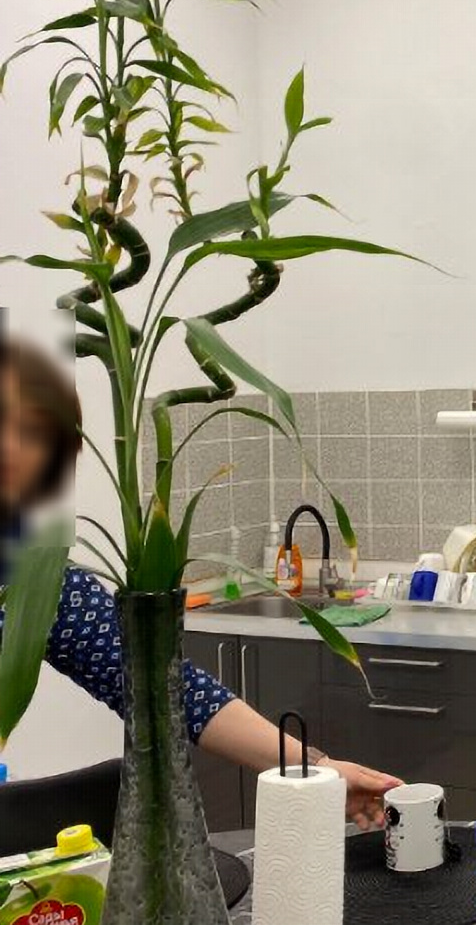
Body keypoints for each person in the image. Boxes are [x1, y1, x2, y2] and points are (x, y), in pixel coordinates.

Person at [0, 335, 400, 829]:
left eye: (34, 433)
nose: (11, 448)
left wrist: (316, 770)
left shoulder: (37, 579)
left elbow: (168, 691)